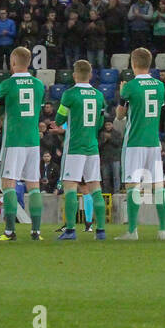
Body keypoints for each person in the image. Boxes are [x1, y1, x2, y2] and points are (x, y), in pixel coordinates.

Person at [0, 46, 46, 241]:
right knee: (34, 186)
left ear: (13, 63)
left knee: (8, 184)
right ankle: (36, 232)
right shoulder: (39, 84)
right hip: (32, 140)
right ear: (29, 62)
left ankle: (9, 231)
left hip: (14, 140)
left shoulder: (7, 84)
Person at [116, 47, 165, 240]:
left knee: (133, 185)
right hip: (153, 141)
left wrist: (122, 94)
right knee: (158, 185)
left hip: (135, 142)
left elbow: (120, 116)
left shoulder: (129, 86)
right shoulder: (159, 86)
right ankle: (163, 230)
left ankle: (132, 231)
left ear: (133, 63)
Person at [55, 60, 109, 240]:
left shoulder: (69, 94)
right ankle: (100, 231)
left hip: (75, 147)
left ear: (74, 75)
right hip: (92, 147)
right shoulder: (99, 95)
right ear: (91, 75)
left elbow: (58, 118)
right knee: (95, 187)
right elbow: (100, 123)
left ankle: (70, 230)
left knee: (70, 187)